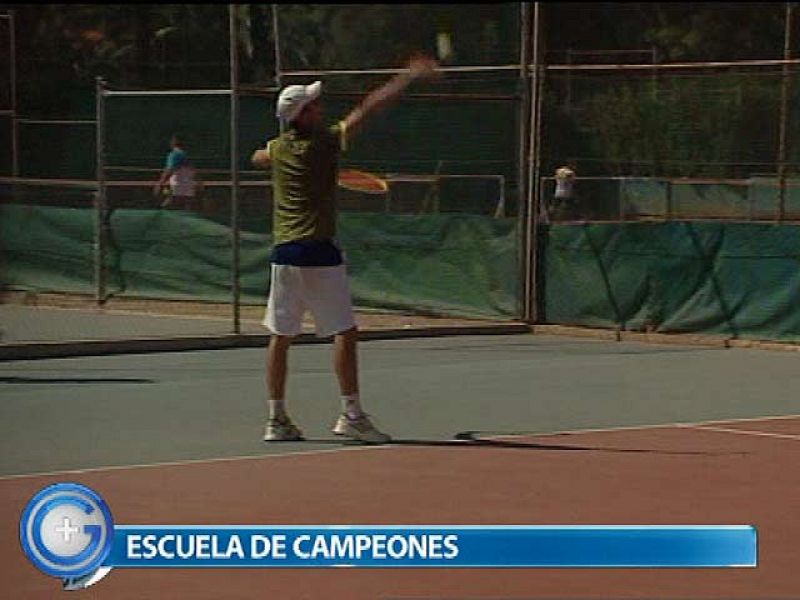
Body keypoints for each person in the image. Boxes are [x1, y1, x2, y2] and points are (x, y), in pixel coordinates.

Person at [252, 56, 439, 444]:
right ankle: (351, 415)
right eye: (312, 105)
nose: (319, 107)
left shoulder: (277, 149)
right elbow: (367, 110)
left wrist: (272, 158)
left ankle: (276, 419)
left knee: (280, 335)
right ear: (302, 116)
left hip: (284, 254)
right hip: (319, 252)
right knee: (345, 333)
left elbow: (259, 156)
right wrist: (405, 77)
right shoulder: (322, 141)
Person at [153, 134, 202, 211]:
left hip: (179, 184)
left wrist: (160, 183)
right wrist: (199, 182)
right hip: (187, 185)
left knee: (171, 202)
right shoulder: (185, 155)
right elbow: (193, 171)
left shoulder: (174, 154)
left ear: (173, 142)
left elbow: (170, 170)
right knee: (185, 204)